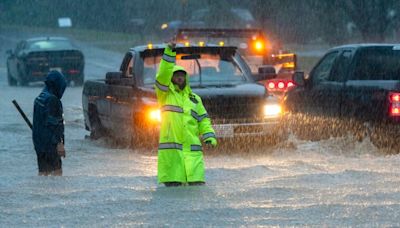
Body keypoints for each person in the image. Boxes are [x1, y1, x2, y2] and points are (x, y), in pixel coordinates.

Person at [155, 41, 217, 187]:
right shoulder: (165, 95)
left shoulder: (195, 99)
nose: (180, 78)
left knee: (196, 198)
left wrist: (209, 136)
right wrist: (169, 52)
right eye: (176, 75)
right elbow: (162, 74)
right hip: (172, 162)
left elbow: (203, 120)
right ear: (171, 78)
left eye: (182, 75)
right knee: (173, 199)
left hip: (193, 158)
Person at [32, 71, 67, 176]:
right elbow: (54, 125)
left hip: (39, 143)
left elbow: (40, 122)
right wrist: (59, 144)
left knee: (43, 174)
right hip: (51, 145)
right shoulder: (53, 100)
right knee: (57, 175)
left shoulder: (40, 97)